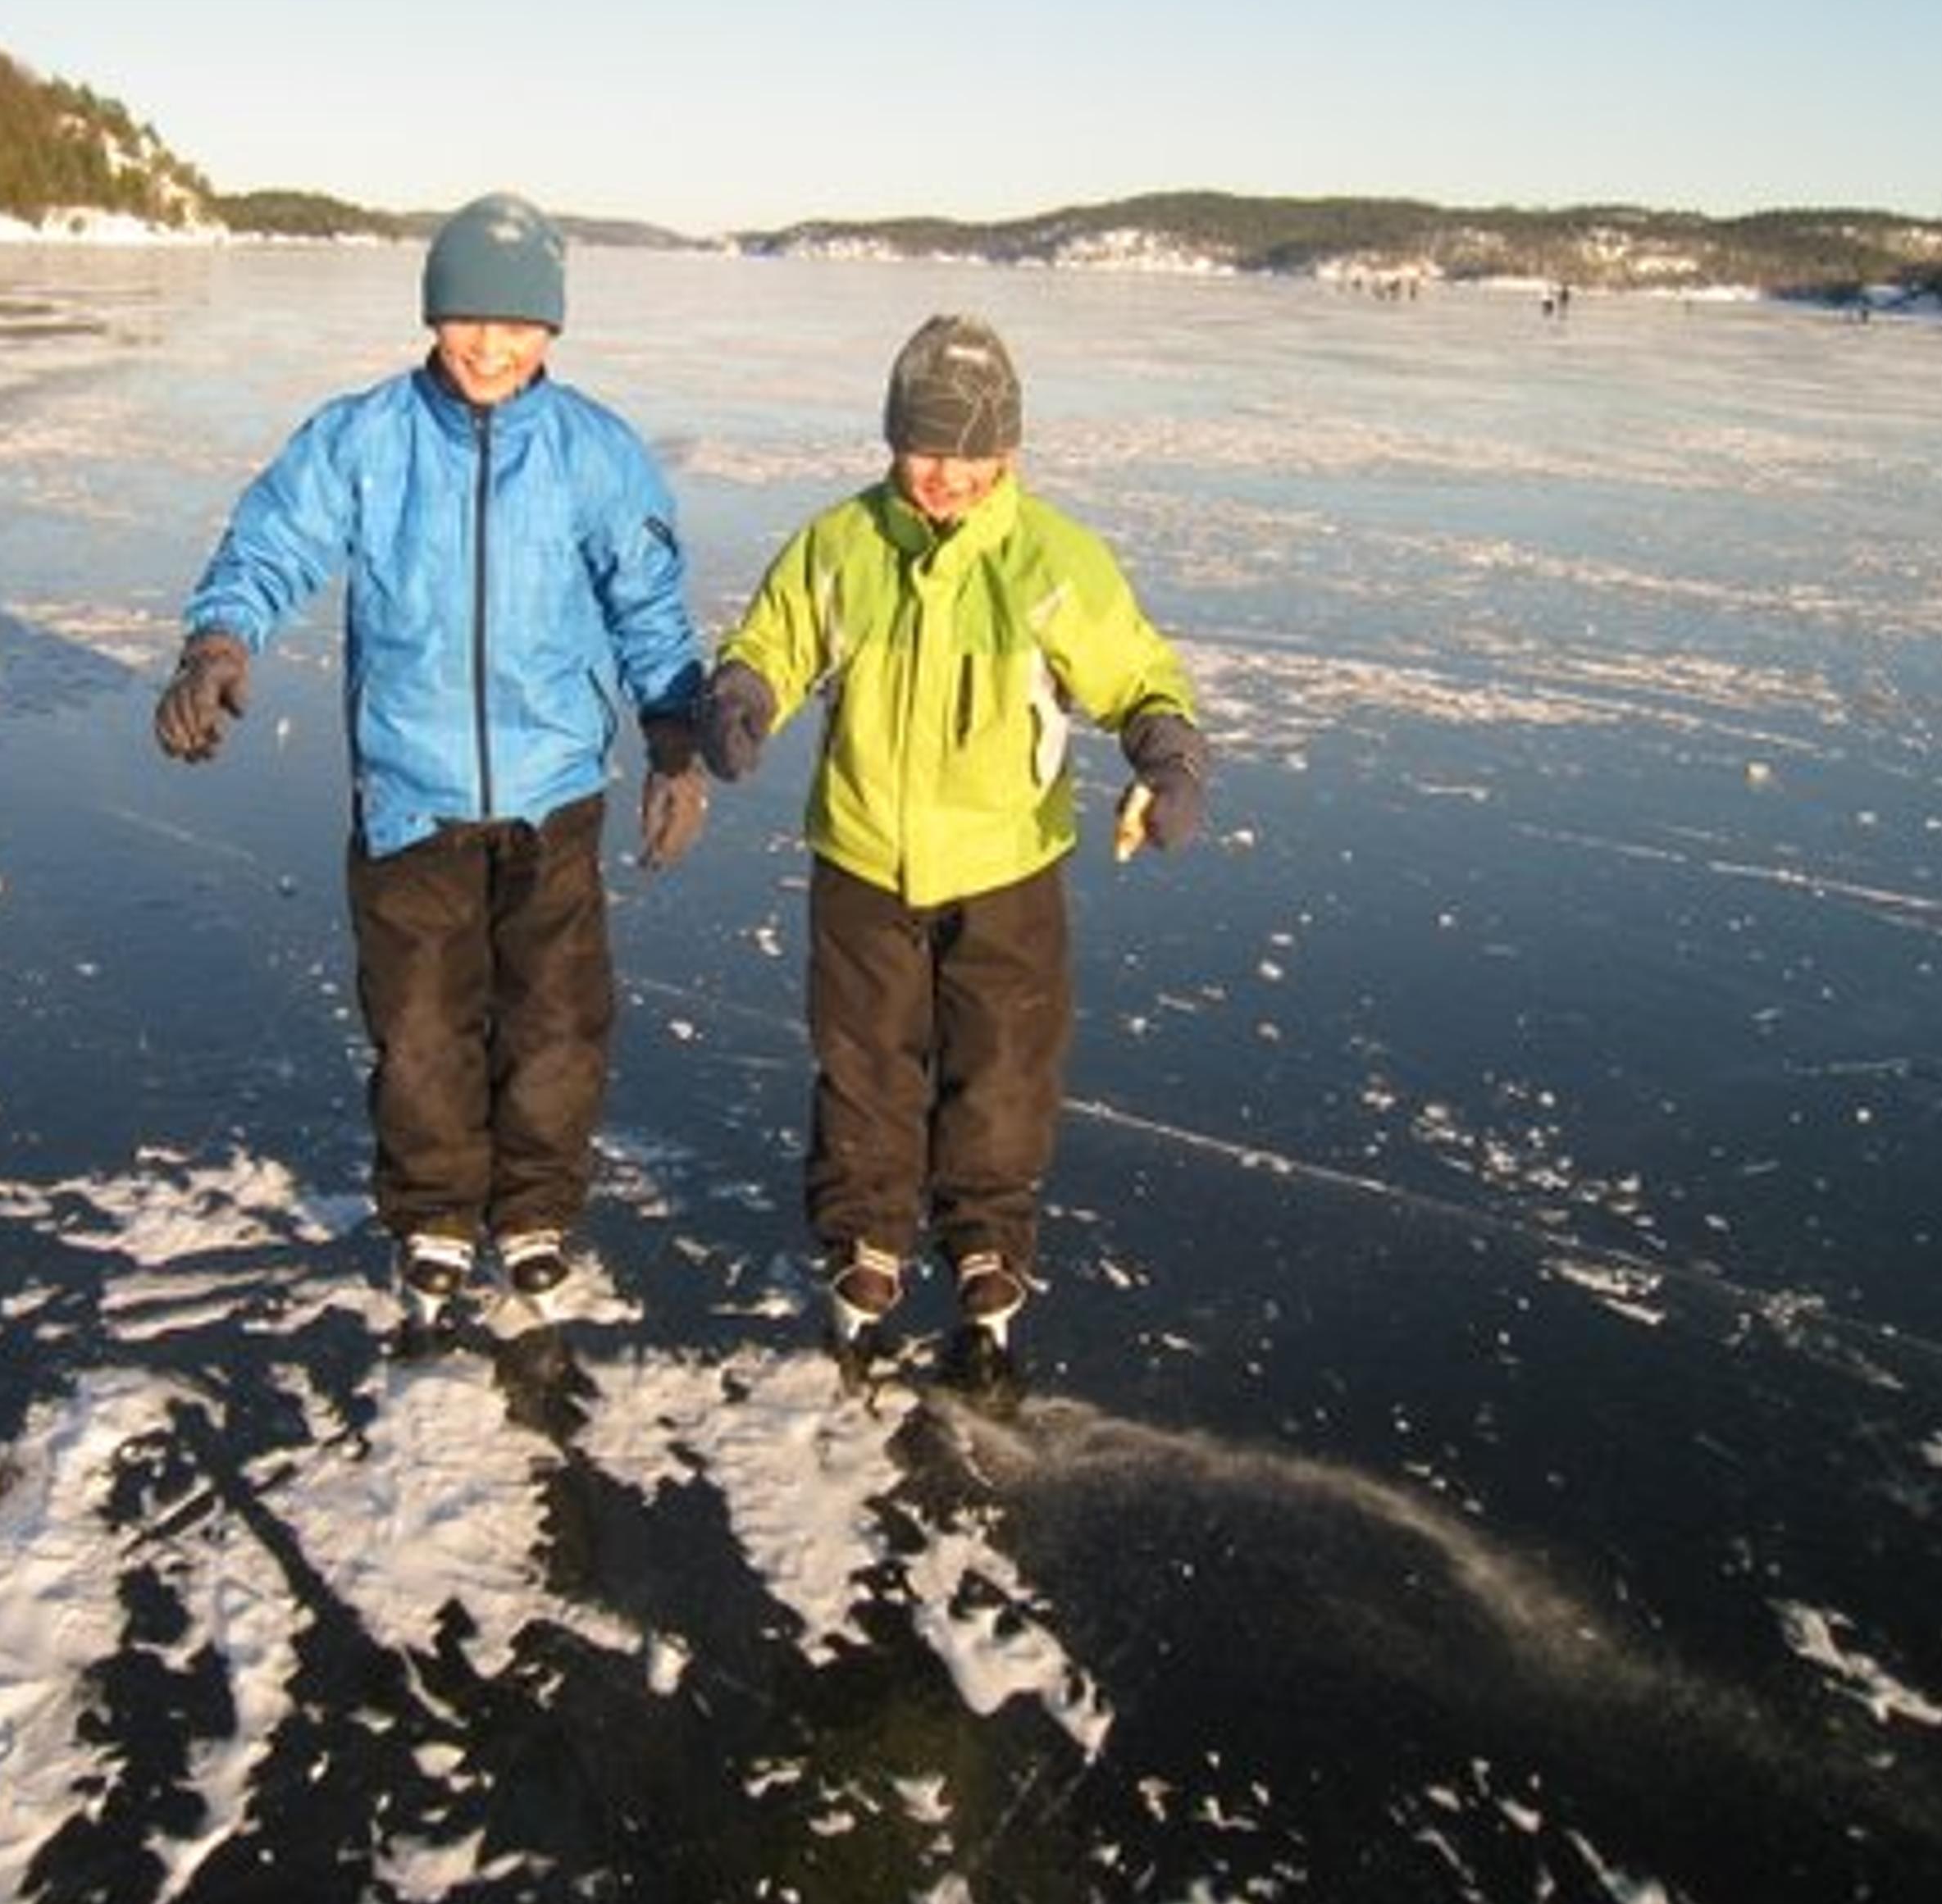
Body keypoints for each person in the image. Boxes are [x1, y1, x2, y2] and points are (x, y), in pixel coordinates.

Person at [153, 193, 707, 1333]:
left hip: (555, 792)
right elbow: (271, 541)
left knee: (556, 1024)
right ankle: (437, 1214)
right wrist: (218, 643)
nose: (490, 346)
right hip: (410, 793)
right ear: (432, 315)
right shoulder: (366, 437)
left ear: (552, 329)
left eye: (515, 324)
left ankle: (537, 1210)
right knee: (417, 1028)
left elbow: (647, 604)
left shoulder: (595, 453)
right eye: (466, 319)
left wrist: (672, 736)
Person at [699, 313, 1209, 1395]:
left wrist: (1168, 757)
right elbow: (778, 638)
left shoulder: (1050, 562)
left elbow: (1135, 672)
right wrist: (745, 693)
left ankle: (986, 1238)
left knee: (1002, 1067)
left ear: (1010, 455)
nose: (946, 478)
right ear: (891, 441)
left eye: (972, 458)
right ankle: (867, 1237)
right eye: (926, 451)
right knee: (865, 1060)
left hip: (1007, 866)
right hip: (864, 857)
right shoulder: (842, 544)